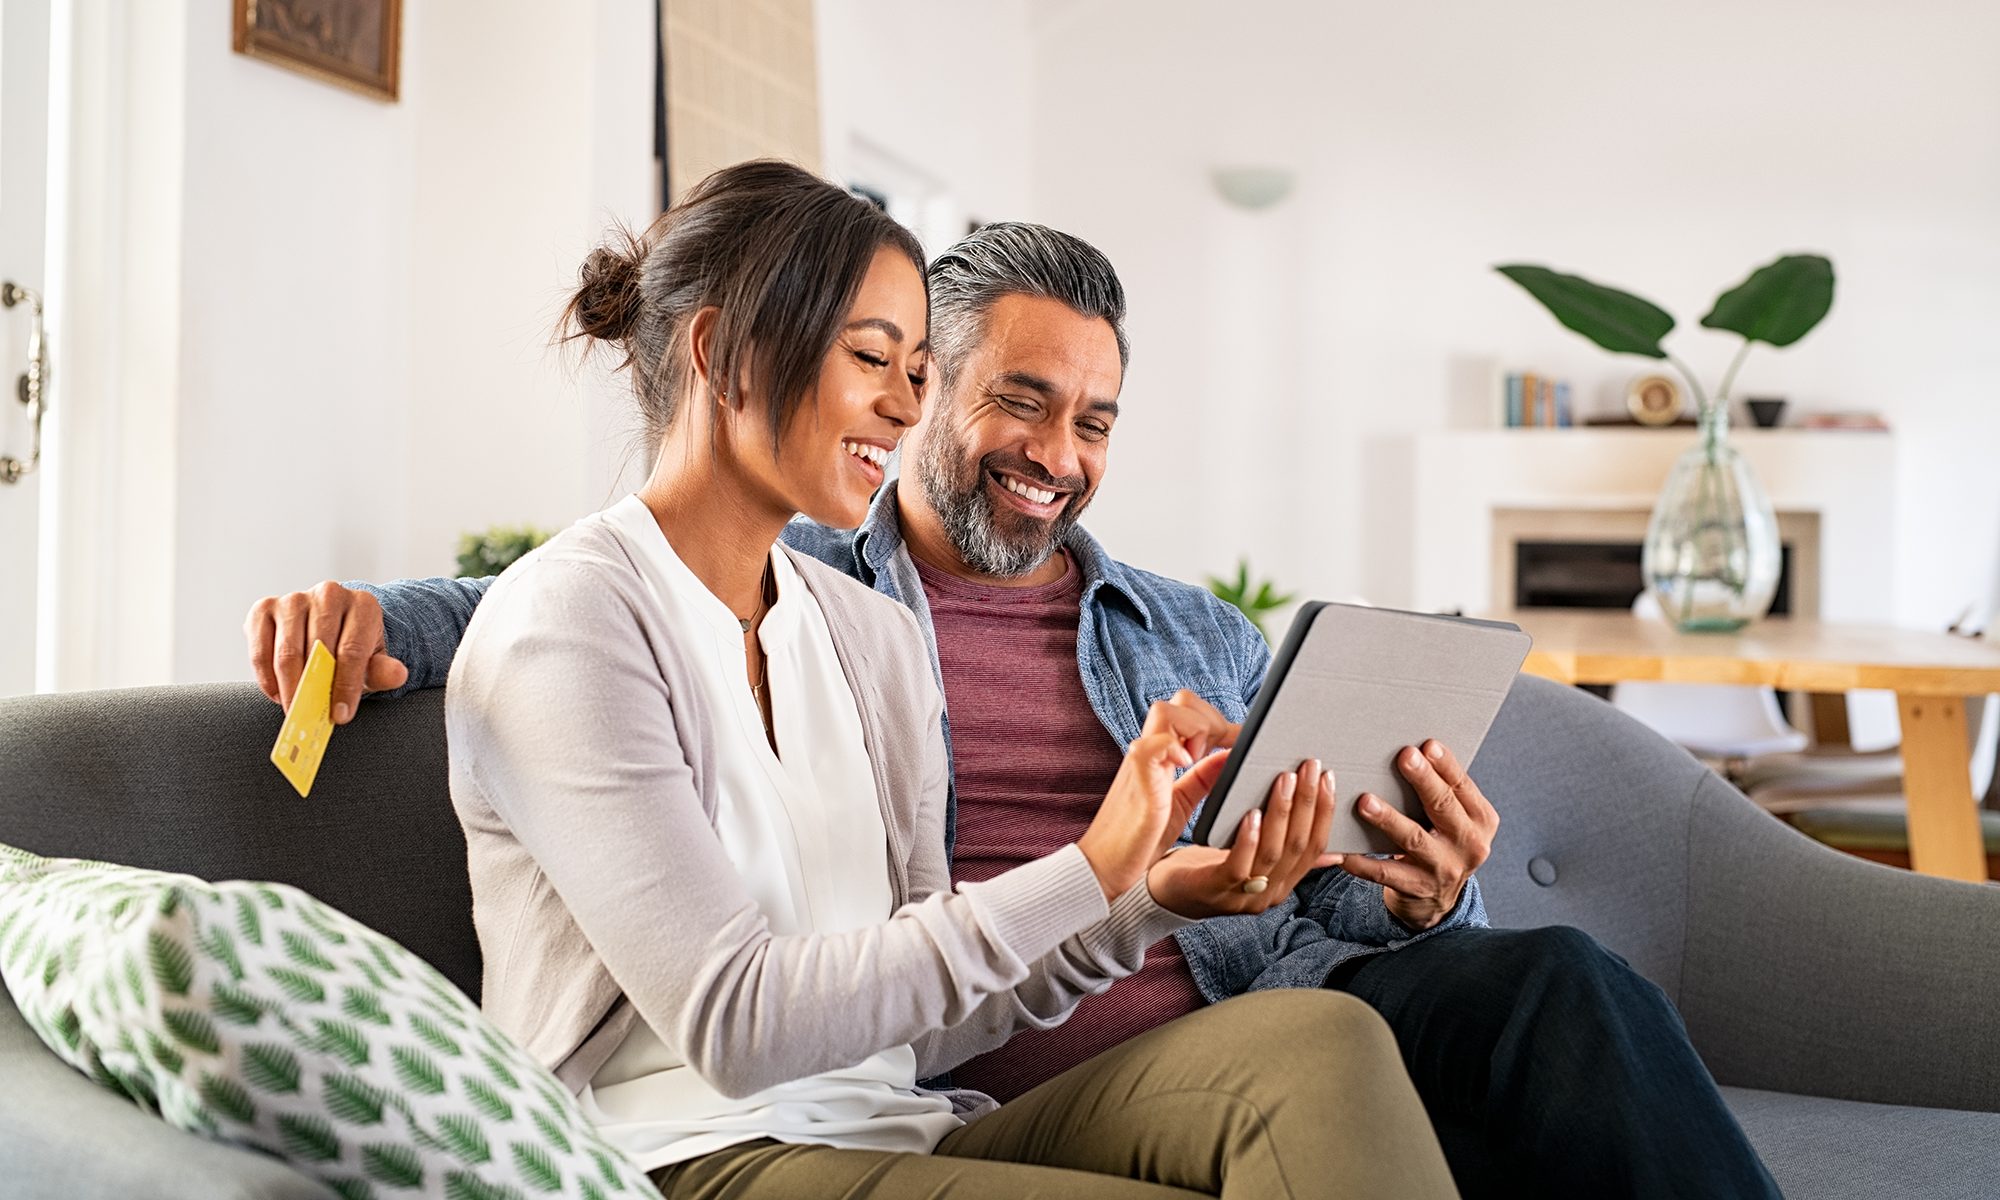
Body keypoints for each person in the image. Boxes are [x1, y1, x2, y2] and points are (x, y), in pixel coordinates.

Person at [248, 209, 1780, 1198]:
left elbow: (1269, 912)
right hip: (782, 1116)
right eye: (1003, 395)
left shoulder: (938, 634)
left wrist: (1391, 896)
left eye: (1095, 418)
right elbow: (584, 610)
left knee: (1509, 996)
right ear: (731, 360)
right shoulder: (721, 594)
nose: (1051, 447)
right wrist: (382, 620)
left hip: (1080, 1047)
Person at [408, 158, 1460, 1198]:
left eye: (918, 369)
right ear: (722, 351)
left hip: (901, 1125)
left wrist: (1145, 900)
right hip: (678, 1155)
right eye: (874, 358)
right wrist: (1089, 867)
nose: (906, 407)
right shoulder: (569, 623)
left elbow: (935, 1020)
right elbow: (732, 1023)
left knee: (1319, 1041)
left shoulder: (868, 637)